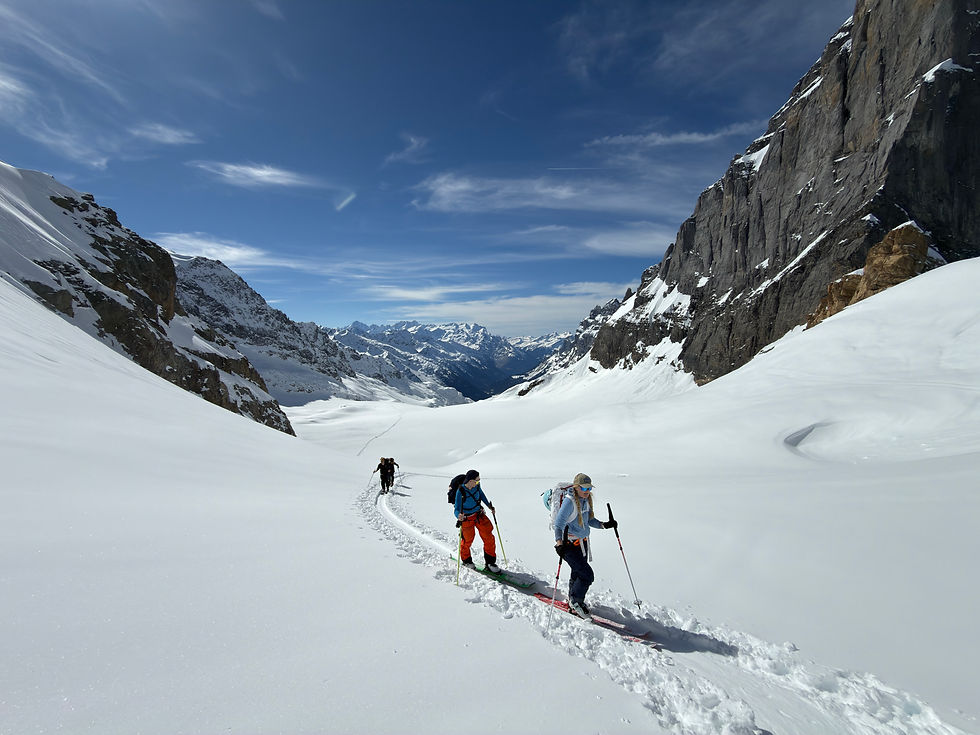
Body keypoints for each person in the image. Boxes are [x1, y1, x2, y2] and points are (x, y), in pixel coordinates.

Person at [553, 473, 617, 619]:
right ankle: (576, 602)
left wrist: (604, 525)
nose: (587, 491)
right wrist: (559, 544)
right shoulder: (569, 502)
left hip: (582, 543)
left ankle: (573, 599)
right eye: (583, 488)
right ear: (576, 487)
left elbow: (589, 520)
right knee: (587, 575)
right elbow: (558, 524)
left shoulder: (585, 500)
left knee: (577, 573)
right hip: (568, 545)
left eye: (589, 488)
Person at [453, 469, 500, 573]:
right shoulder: (460, 491)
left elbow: (481, 495)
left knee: (489, 537)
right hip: (467, 519)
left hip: (479, 514)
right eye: (477, 480)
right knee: (467, 540)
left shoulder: (477, 486)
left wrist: (489, 506)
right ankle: (466, 561)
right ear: (470, 481)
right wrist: (458, 516)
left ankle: (490, 563)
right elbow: (456, 509)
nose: (478, 482)